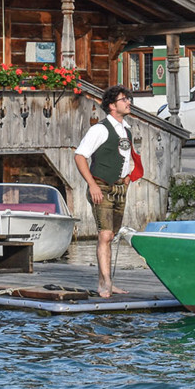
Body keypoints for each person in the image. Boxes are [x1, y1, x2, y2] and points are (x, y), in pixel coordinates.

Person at [74, 85, 135, 297]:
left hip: (119, 187)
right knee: (105, 234)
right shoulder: (99, 129)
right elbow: (80, 156)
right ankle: (105, 283)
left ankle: (106, 280)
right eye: (123, 99)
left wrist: (127, 177)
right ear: (111, 105)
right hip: (101, 186)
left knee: (112, 235)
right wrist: (91, 184)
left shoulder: (126, 129)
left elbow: (125, 157)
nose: (128, 102)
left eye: (128, 99)